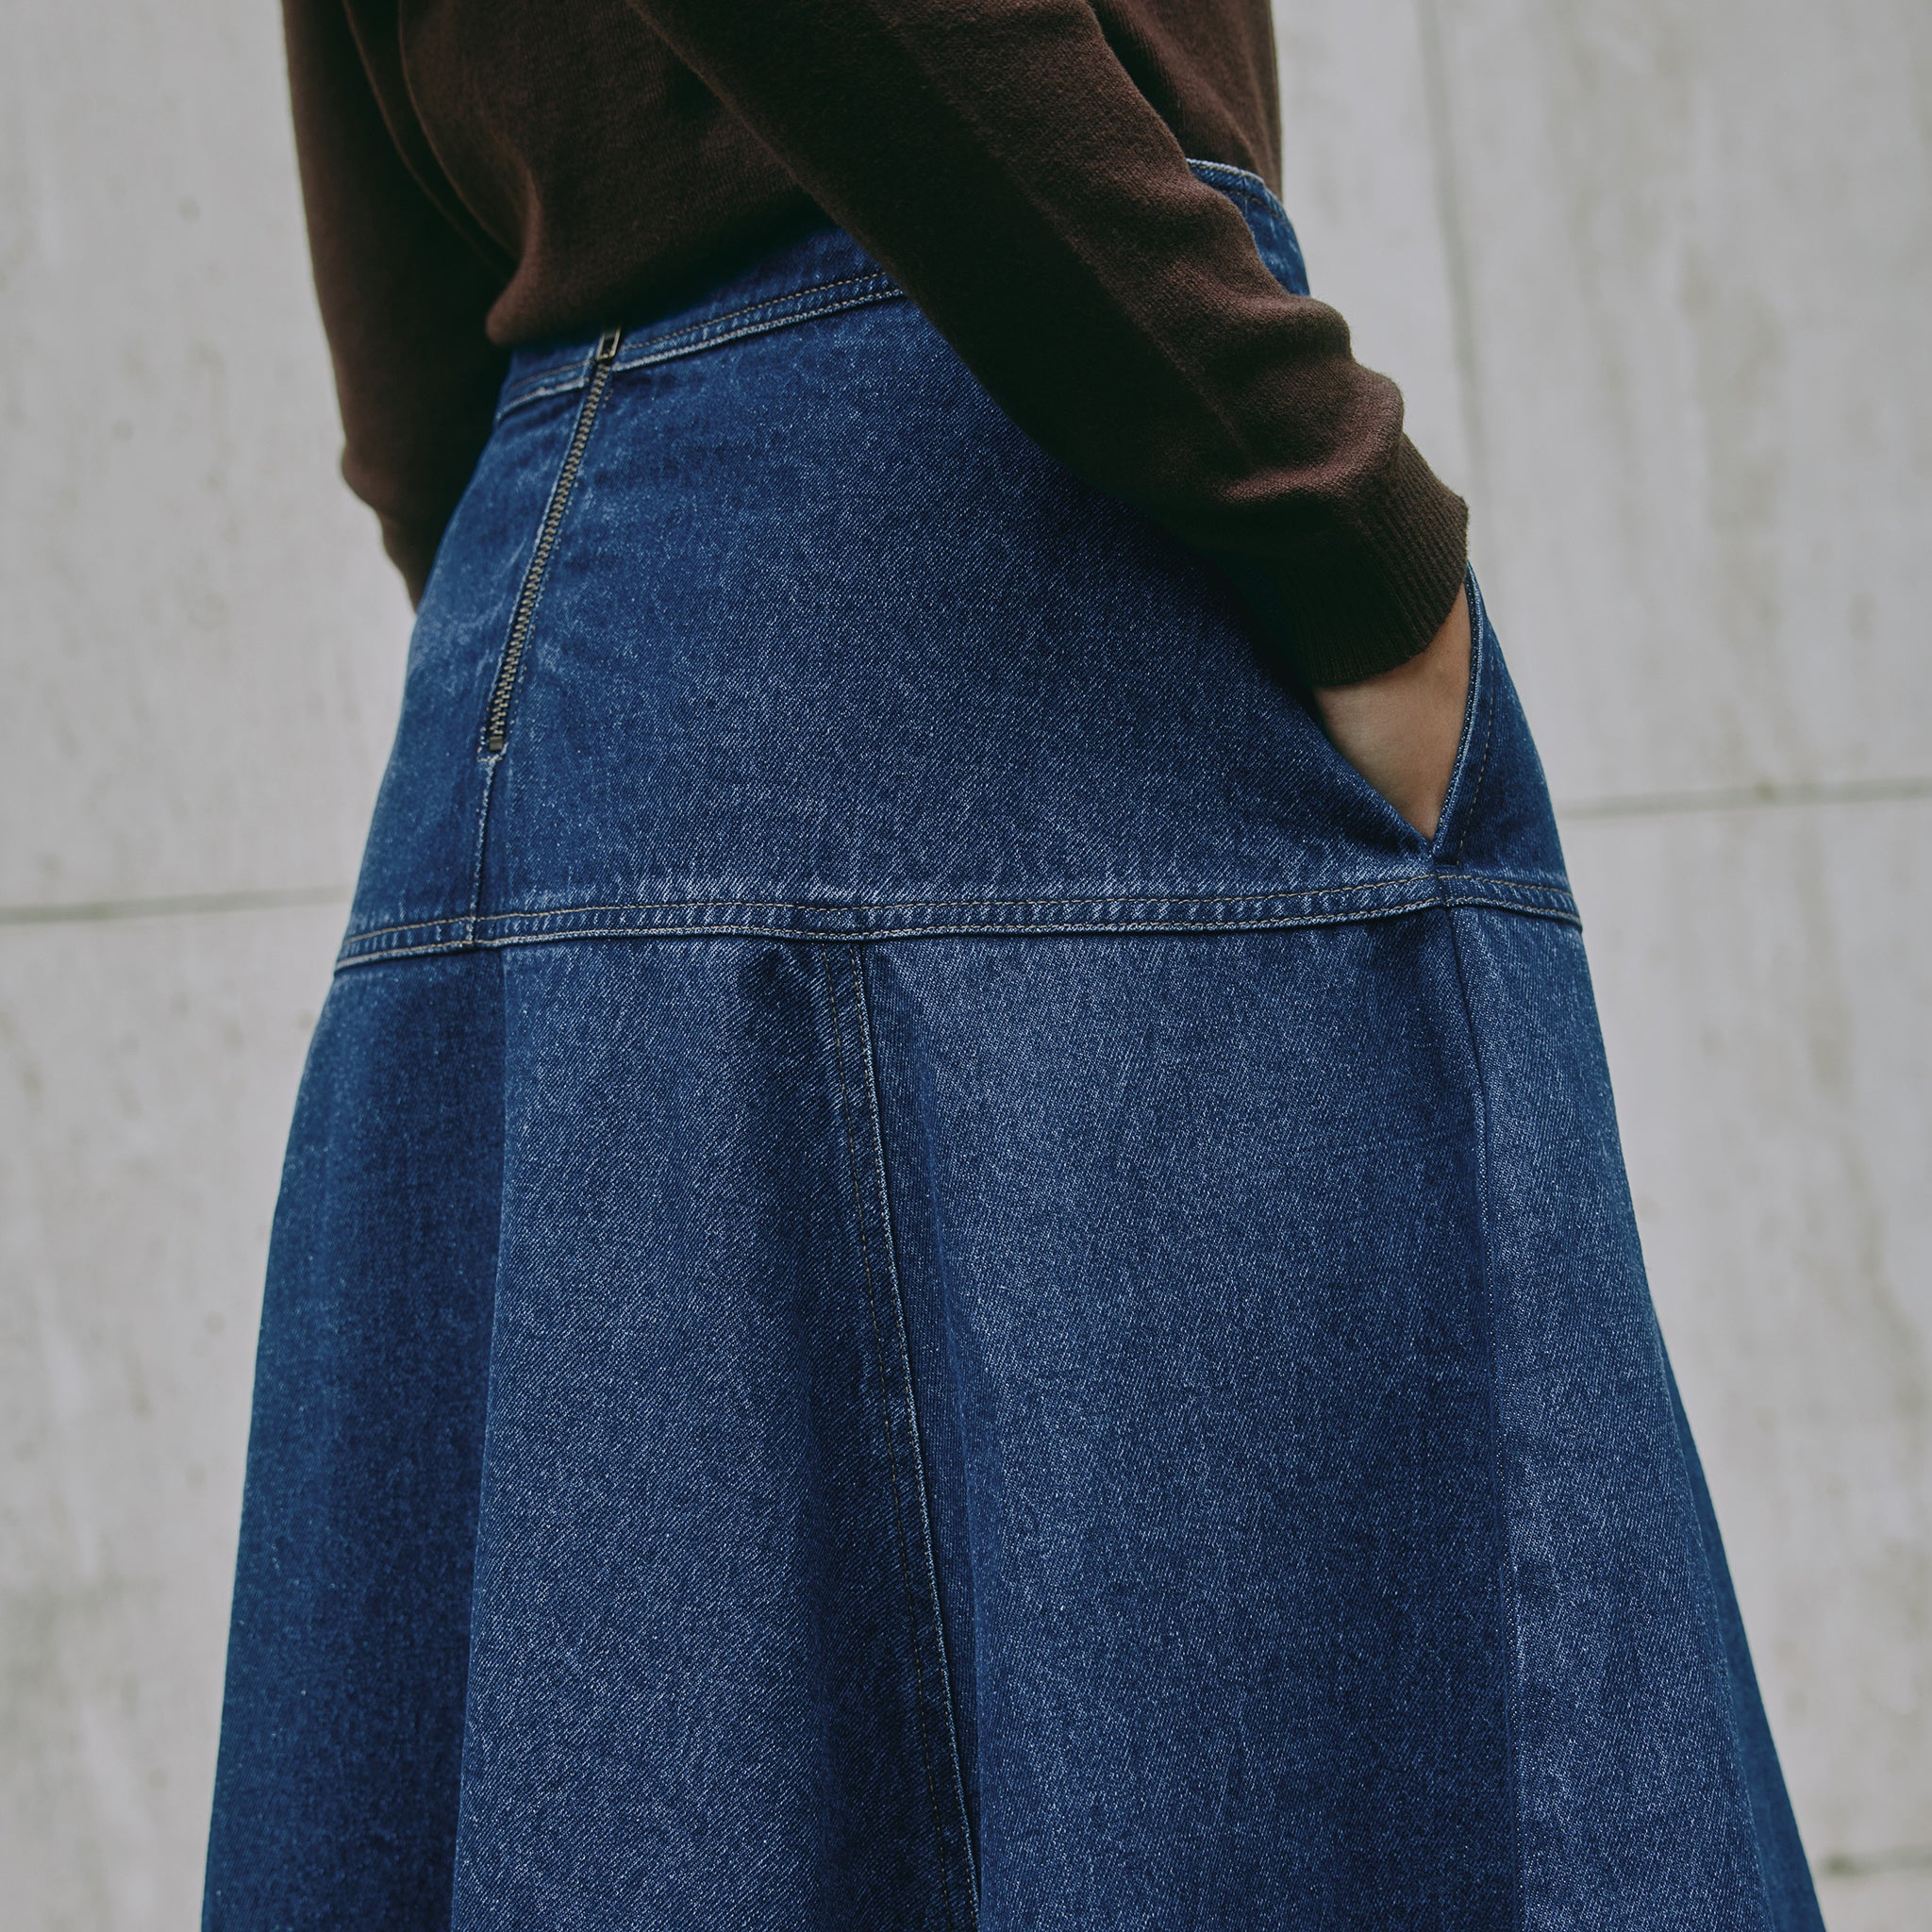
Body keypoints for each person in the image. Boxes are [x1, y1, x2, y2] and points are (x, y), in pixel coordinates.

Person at [203, 4, 1824, 1927]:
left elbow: (405, 353)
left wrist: (596, 699)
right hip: (1030, 545)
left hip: (572, 646)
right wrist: (1334, 513)